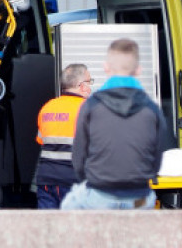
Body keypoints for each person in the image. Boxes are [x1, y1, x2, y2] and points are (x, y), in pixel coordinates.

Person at [61, 39, 170, 210]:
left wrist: (92, 182)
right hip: (139, 196)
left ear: (106, 68)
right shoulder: (152, 109)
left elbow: (79, 157)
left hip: (99, 193)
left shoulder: (91, 106)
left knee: (67, 204)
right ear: (139, 70)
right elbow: (159, 156)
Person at [34, 63, 92, 209]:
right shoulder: (90, 108)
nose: (91, 86)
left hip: (46, 180)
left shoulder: (48, 107)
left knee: (49, 227)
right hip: (75, 181)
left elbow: (42, 140)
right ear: (81, 86)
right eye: (90, 82)